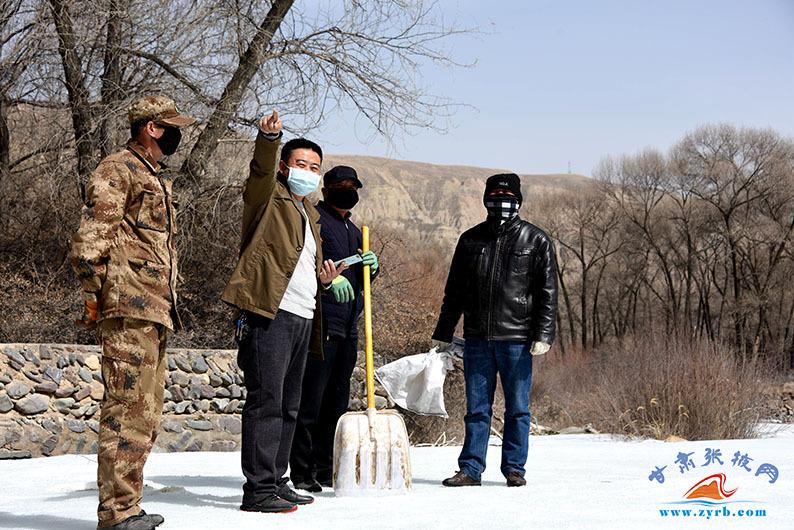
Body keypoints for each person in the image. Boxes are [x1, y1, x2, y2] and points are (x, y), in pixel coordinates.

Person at [71, 95, 196, 530]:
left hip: (153, 311)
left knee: (144, 414)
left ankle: (128, 507)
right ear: (153, 128)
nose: (179, 133)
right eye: (172, 125)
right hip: (129, 308)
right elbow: (89, 245)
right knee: (125, 412)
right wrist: (97, 296)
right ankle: (117, 514)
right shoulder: (118, 169)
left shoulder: (153, 175)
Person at [220, 111, 344, 513]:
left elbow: (301, 263)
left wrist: (324, 278)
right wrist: (268, 140)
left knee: (290, 404)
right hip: (268, 312)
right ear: (286, 166)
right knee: (266, 400)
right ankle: (257, 490)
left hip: (304, 315)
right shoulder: (267, 198)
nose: (307, 171)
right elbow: (259, 173)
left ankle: (277, 478)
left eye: (314, 167)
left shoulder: (309, 211)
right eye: (300, 164)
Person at [431, 173, 558, 488]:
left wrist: (544, 334)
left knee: (518, 409)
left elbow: (548, 293)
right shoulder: (470, 240)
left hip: (517, 340)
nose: (501, 201)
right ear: (486, 198)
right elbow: (455, 291)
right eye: (496, 194)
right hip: (477, 340)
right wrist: (444, 330)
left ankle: (514, 468)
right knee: (476, 410)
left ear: (518, 199)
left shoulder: (536, 240)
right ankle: (471, 469)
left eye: (507, 195)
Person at [289, 165, 379, 492]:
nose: (347, 191)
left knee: (337, 404)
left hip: (349, 326)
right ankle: (302, 470)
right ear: (326, 190)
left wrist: (372, 269)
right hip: (322, 321)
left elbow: (361, 282)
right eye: (340, 185)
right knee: (312, 400)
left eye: (352, 186)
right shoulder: (315, 221)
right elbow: (304, 265)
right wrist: (327, 282)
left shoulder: (355, 232)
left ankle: (327, 468)